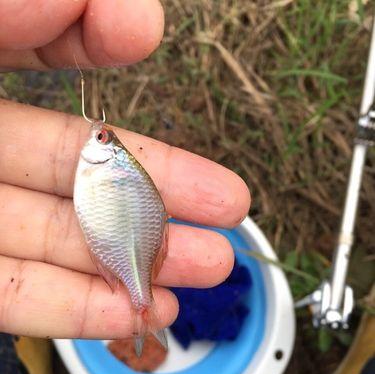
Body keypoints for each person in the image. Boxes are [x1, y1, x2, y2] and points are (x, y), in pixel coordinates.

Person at [0, 0, 250, 342]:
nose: (98, 134)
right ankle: (141, 306)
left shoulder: (105, 169)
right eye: (104, 137)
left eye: (102, 137)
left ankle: (141, 306)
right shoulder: (104, 168)